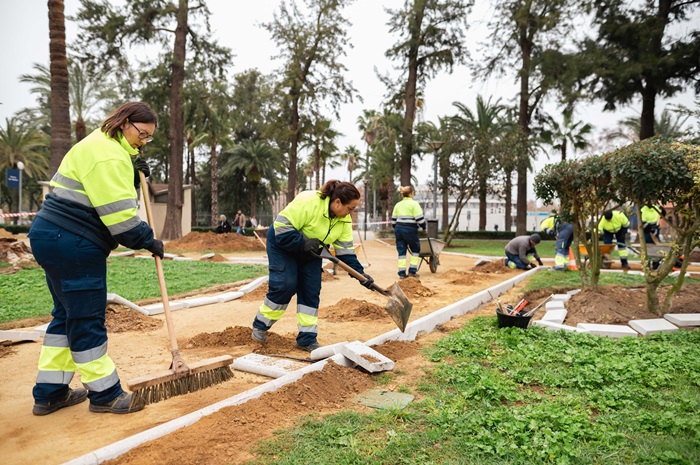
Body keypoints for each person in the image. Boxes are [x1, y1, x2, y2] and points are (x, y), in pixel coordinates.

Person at [27, 102, 163, 416]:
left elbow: (99, 193)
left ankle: (50, 393)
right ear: (126, 123)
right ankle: (105, 395)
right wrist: (149, 240)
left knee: (65, 315)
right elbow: (121, 222)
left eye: (148, 139)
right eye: (141, 134)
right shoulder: (110, 155)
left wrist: (132, 170)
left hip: (51, 235)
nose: (143, 142)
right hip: (73, 241)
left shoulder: (97, 143)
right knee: (87, 318)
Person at [251, 180, 375, 351]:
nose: (350, 213)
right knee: (285, 285)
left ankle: (307, 339)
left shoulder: (344, 220)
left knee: (311, 289)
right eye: (350, 208)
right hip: (283, 244)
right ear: (338, 202)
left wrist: (361, 275)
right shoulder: (309, 201)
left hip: (312, 251)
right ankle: (260, 325)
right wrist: (302, 242)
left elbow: (346, 253)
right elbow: (280, 228)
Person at [391, 185, 427, 278]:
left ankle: (402, 273)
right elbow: (419, 219)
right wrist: (424, 227)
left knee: (401, 251)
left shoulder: (398, 205)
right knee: (415, 249)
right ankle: (412, 271)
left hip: (398, 230)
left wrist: (397, 229)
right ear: (411, 194)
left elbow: (393, 221)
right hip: (410, 230)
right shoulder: (414, 204)